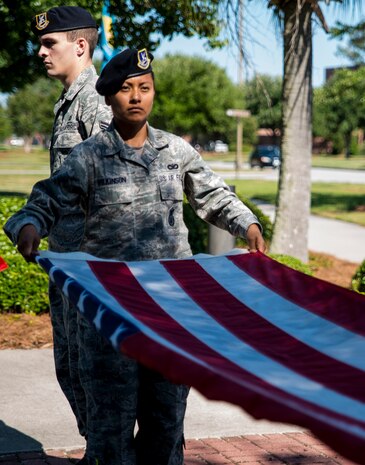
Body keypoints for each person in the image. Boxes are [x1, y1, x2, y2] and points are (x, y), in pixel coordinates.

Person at [4, 48, 266, 465]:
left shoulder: (176, 151)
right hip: (111, 315)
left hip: (169, 312)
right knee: (110, 431)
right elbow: (47, 199)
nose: (136, 96)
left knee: (166, 424)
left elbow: (213, 194)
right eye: (126, 89)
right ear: (109, 99)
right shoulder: (89, 157)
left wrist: (246, 224)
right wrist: (29, 226)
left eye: (145, 88)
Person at [30, 5, 111, 455]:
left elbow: (114, 184)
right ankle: (99, 450)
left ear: (80, 46)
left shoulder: (96, 102)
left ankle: (108, 453)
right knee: (71, 368)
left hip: (91, 267)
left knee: (95, 373)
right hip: (68, 263)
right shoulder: (68, 103)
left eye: (48, 43)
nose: (40, 51)